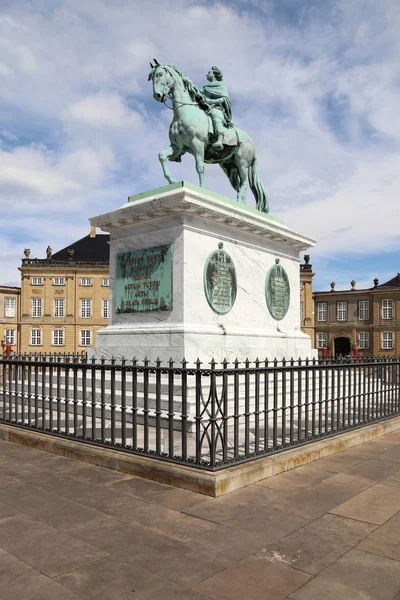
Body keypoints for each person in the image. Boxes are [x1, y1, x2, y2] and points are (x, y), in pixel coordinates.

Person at [198, 66, 233, 150]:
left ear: (214, 75)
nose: (207, 74)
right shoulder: (204, 88)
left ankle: (219, 139)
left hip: (217, 108)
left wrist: (210, 101)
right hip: (204, 109)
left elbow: (225, 99)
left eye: (209, 72)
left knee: (215, 114)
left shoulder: (221, 85)